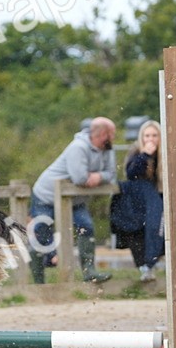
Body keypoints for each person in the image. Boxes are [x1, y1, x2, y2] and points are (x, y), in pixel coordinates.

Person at [29, 117, 117, 283]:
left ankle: (89, 271)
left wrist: (98, 176)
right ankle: (38, 282)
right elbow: (80, 178)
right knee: (41, 234)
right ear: (103, 134)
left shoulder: (107, 149)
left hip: (74, 199)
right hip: (46, 196)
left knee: (86, 227)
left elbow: (111, 174)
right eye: (112, 134)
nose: (114, 137)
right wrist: (95, 177)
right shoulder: (78, 147)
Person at [110, 120, 165, 282]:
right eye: (147, 135)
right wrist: (145, 155)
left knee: (157, 228)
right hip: (137, 199)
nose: (151, 139)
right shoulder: (136, 152)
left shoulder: (166, 153)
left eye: (154, 135)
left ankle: (151, 263)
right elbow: (131, 173)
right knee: (137, 231)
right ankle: (145, 266)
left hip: (156, 197)